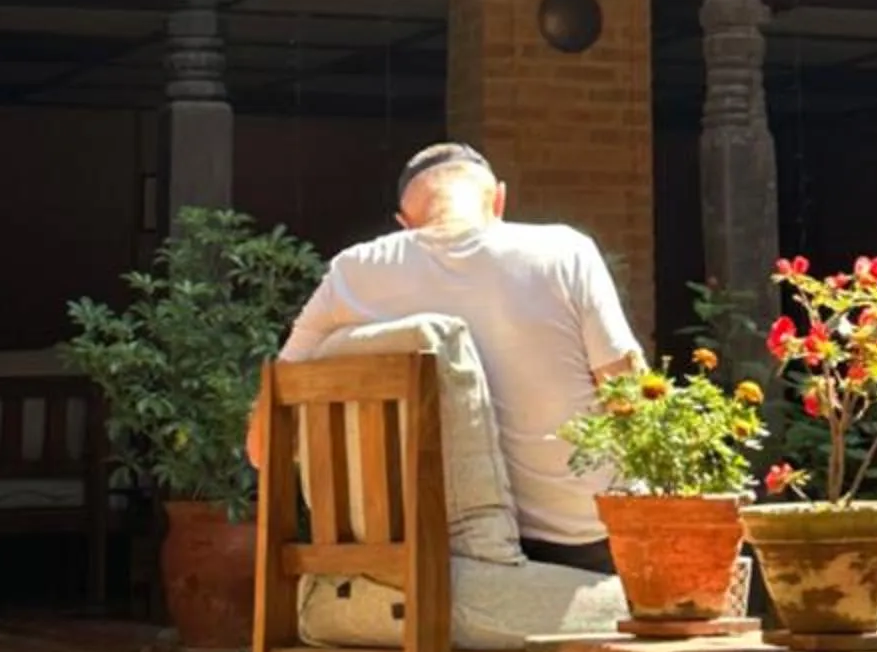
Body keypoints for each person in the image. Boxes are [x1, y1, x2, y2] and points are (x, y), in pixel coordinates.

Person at [262, 142, 641, 568]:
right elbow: (633, 402)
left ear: (404, 224)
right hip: (581, 546)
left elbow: (262, 446)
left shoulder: (353, 273)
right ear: (499, 199)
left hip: (433, 556)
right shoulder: (565, 252)